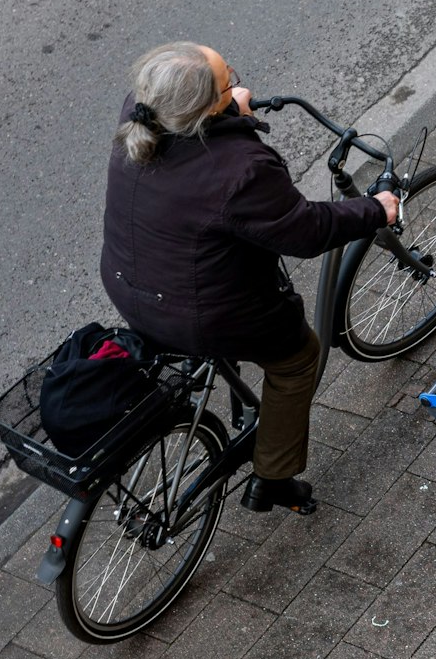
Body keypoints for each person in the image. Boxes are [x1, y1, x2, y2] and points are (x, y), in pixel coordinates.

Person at [99, 42, 398, 514]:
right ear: (202, 108)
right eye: (228, 83)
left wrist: (224, 116)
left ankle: (228, 386)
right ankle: (274, 477)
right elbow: (305, 231)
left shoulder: (139, 117)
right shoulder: (240, 169)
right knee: (298, 359)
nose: (244, 87)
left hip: (129, 285)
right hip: (202, 316)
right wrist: (373, 211)